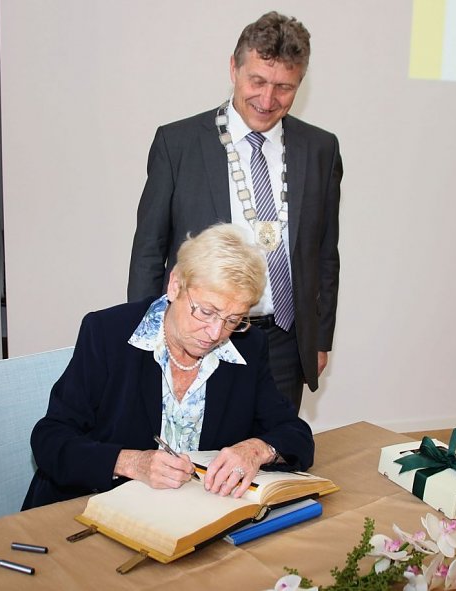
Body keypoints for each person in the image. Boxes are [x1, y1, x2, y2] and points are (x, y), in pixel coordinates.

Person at [127, 12, 342, 411]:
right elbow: (148, 251)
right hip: (198, 336)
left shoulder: (321, 149)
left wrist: (319, 338)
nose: (267, 99)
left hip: (284, 343)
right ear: (233, 67)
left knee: (273, 461)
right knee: (193, 463)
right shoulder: (178, 144)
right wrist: (147, 334)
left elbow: (325, 256)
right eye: (257, 81)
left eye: (284, 88)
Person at [22, 224, 314, 510]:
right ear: (175, 285)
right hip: (93, 508)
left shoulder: (248, 347)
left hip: (189, 518)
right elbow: (50, 438)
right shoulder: (107, 334)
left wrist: (256, 450)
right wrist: (130, 462)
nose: (215, 333)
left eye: (233, 319)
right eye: (206, 311)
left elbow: (296, 434)